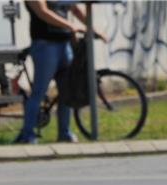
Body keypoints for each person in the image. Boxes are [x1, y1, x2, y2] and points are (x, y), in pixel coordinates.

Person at [17, 1, 105, 143]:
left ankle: (64, 133)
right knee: (39, 92)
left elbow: (75, 8)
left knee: (67, 91)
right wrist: (70, 25)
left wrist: (92, 28)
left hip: (65, 45)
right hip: (45, 46)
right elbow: (43, 12)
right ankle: (28, 134)